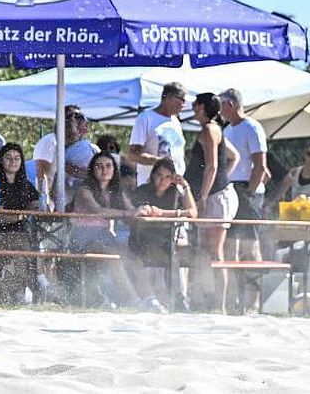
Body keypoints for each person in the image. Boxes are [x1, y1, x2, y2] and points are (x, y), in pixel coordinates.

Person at [69, 151, 149, 307]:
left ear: (114, 169)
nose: (104, 170)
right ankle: (132, 300)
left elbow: (133, 211)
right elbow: (98, 211)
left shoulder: (116, 191)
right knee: (113, 256)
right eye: (99, 166)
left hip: (105, 236)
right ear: (92, 169)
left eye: (108, 166)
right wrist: (130, 213)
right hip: (83, 238)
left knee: (134, 258)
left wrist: (145, 210)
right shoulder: (84, 190)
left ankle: (149, 298)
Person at [186, 90, 238, 309]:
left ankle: (221, 305)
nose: (192, 109)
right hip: (215, 193)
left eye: (195, 105)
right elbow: (234, 157)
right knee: (205, 250)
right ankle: (206, 299)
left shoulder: (209, 129)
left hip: (215, 196)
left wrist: (206, 195)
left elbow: (212, 165)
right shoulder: (215, 129)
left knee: (215, 251)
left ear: (202, 107)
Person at [129, 157, 197, 307]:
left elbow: (193, 213)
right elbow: (140, 212)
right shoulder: (143, 191)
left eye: (167, 177)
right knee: (169, 257)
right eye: (159, 175)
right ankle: (154, 299)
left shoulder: (175, 193)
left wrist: (185, 186)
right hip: (143, 241)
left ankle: (180, 298)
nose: (163, 180)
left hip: (167, 242)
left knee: (186, 256)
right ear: (153, 175)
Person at [0, 142, 41, 303]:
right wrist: (22, 216)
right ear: (1, 160)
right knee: (23, 247)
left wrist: (28, 211)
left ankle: (19, 293)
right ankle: (26, 290)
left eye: (17, 158)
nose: (13, 162)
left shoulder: (25, 185)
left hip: (22, 234)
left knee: (28, 248)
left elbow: (38, 205)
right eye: (8, 158)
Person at [218, 88, 269, 265]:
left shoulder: (252, 127)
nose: (219, 111)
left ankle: (253, 292)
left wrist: (250, 192)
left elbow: (261, 166)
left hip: (248, 190)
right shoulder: (227, 130)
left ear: (230, 104)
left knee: (250, 247)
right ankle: (233, 293)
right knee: (230, 246)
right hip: (232, 189)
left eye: (221, 106)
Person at [127, 81, 188, 188]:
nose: (184, 105)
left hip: (174, 187)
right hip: (151, 187)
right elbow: (133, 155)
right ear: (169, 98)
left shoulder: (175, 121)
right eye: (182, 100)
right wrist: (161, 162)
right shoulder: (145, 118)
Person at [33, 104, 95, 205]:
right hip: (54, 205)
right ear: (63, 120)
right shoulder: (51, 141)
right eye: (74, 116)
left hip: (73, 205)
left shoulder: (73, 146)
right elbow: (43, 178)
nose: (81, 121)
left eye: (80, 116)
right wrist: (46, 205)